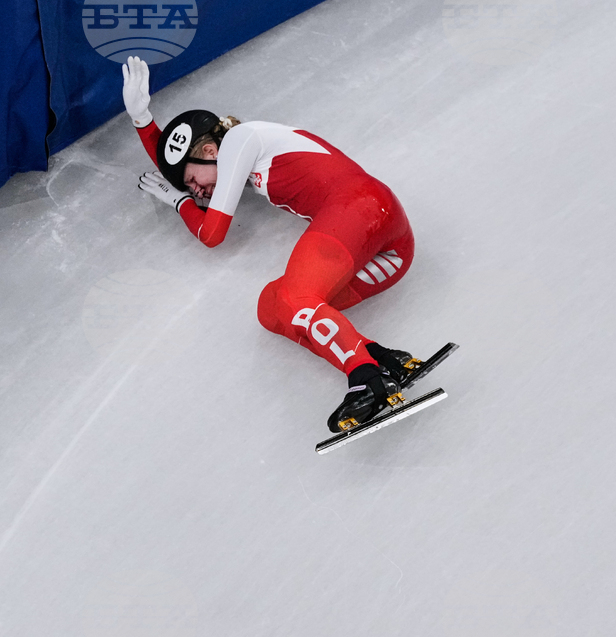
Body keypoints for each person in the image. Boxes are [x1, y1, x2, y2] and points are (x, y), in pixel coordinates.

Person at [122, 56, 421, 431]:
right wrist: (142, 121)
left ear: (210, 152)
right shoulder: (233, 154)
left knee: (297, 297)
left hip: (361, 209)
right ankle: (381, 359)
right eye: (190, 190)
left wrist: (180, 203)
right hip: (388, 248)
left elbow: (212, 234)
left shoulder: (239, 141)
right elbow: (178, 160)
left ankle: (366, 379)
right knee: (272, 307)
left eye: (193, 181)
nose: (196, 192)